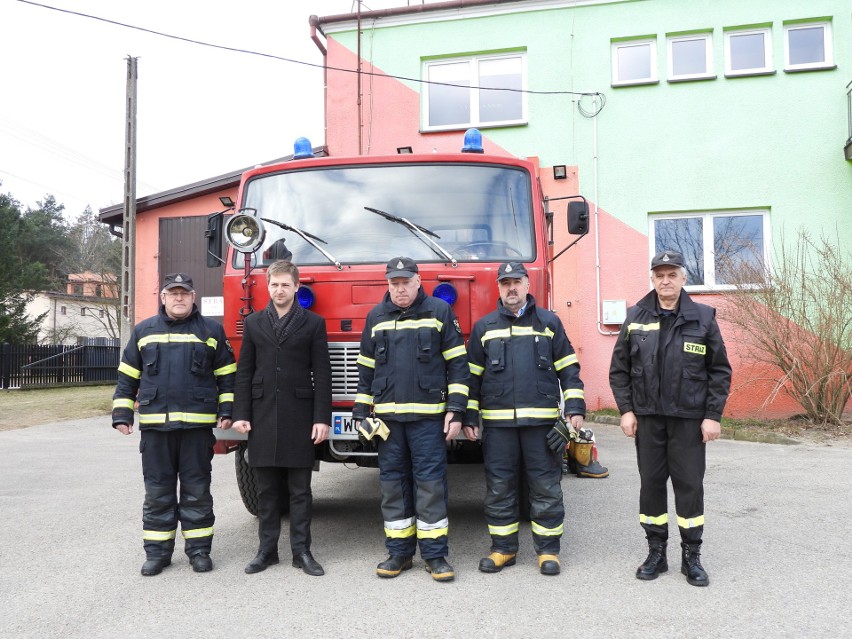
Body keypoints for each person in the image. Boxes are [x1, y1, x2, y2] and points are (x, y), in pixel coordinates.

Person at [609, 250, 731, 587]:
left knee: (689, 487)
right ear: (652, 279)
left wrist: (712, 416)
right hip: (647, 420)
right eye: (659, 274)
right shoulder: (636, 316)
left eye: (671, 274)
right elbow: (619, 370)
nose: (665, 280)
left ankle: (691, 556)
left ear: (683, 278)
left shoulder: (703, 318)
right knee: (650, 486)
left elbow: (719, 371)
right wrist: (626, 410)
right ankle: (656, 553)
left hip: (689, 420)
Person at [463, 262, 585, 576]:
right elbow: (472, 377)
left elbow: (569, 369)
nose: (511, 288)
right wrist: (468, 416)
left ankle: (548, 552)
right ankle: (503, 549)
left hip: (541, 427)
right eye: (505, 283)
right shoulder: (484, 327)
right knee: (500, 489)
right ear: (499, 288)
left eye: (516, 282)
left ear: (527, 285)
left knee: (545, 487)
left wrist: (574, 409)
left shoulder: (549, 323)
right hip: (499, 428)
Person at [353, 256, 469, 582]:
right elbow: (365, 370)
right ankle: (399, 553)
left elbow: (458, 366)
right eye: (394, 283)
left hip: (428, 420)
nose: (400, 289)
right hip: (388, 423)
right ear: (387, 284)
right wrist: (361, 411)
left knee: (430, 485)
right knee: (392, 485)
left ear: (418, 281)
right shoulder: (376, 316)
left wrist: (457, 410)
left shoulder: (439, 312)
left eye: (405, 282)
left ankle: (435, 556)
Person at [112, 273, 236, 576]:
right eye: (173, 293)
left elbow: (227, 375)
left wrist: (227, 409)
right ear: (163, 298)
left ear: (193, 297)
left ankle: (199, 552)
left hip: (196, 430)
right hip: (156, 430)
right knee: (158, 493)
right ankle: (157, 554)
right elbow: (127, 377)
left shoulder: (211, 331)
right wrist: (122, 415)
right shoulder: (144, 332)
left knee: (197, 492)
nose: (178, 298)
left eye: (184, 293)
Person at [232, 260, 331, 576]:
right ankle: (266, 552)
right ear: (268, 286)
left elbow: (323, 373)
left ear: (296, 287)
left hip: (299, 416)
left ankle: (302, 552)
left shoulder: (313, 324)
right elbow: (244, 371)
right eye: (274, 284)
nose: (279, 290)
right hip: (261, 416)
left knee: (300, 491)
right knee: (267, 490)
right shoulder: (254, 323)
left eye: (285, 284)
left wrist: (321, 418)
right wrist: (241, 414)